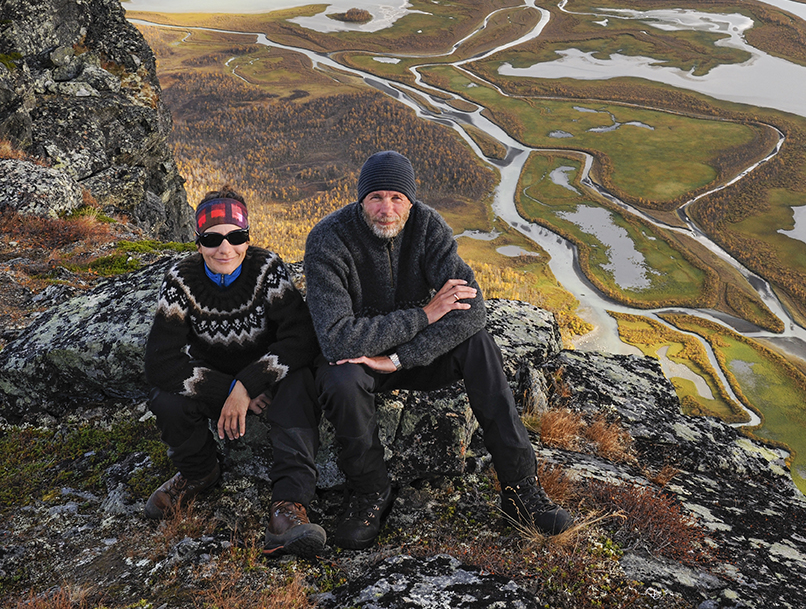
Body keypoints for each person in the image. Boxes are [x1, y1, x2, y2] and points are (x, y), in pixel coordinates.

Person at [302, 150, 572, 550]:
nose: (386, 209)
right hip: (356, 363)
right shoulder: (328, 239)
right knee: (341, 376)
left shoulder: (428, 227)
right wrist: (425, 315)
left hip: (408, 357)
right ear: (360, 200)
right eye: (376, 197)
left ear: (411, 201)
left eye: (397, 198)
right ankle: (371, 492)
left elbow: (472, 310)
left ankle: (520, 492)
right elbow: (338, 338)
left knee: (479, 345)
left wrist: (399, 358)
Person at [143, 187, 327, 558]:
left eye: (236, 236)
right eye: (212, 238)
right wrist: (230, 389)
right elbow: (160, 362)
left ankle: (288, 507)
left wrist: (250, 382)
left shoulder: (267, 270)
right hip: (217, 377)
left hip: (271, 376)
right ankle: (198, 473)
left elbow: (301, 340)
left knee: (299, 384)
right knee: (166, 400)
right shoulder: (181, 281)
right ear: (198, 243)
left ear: (248, 238)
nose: (225, 248)